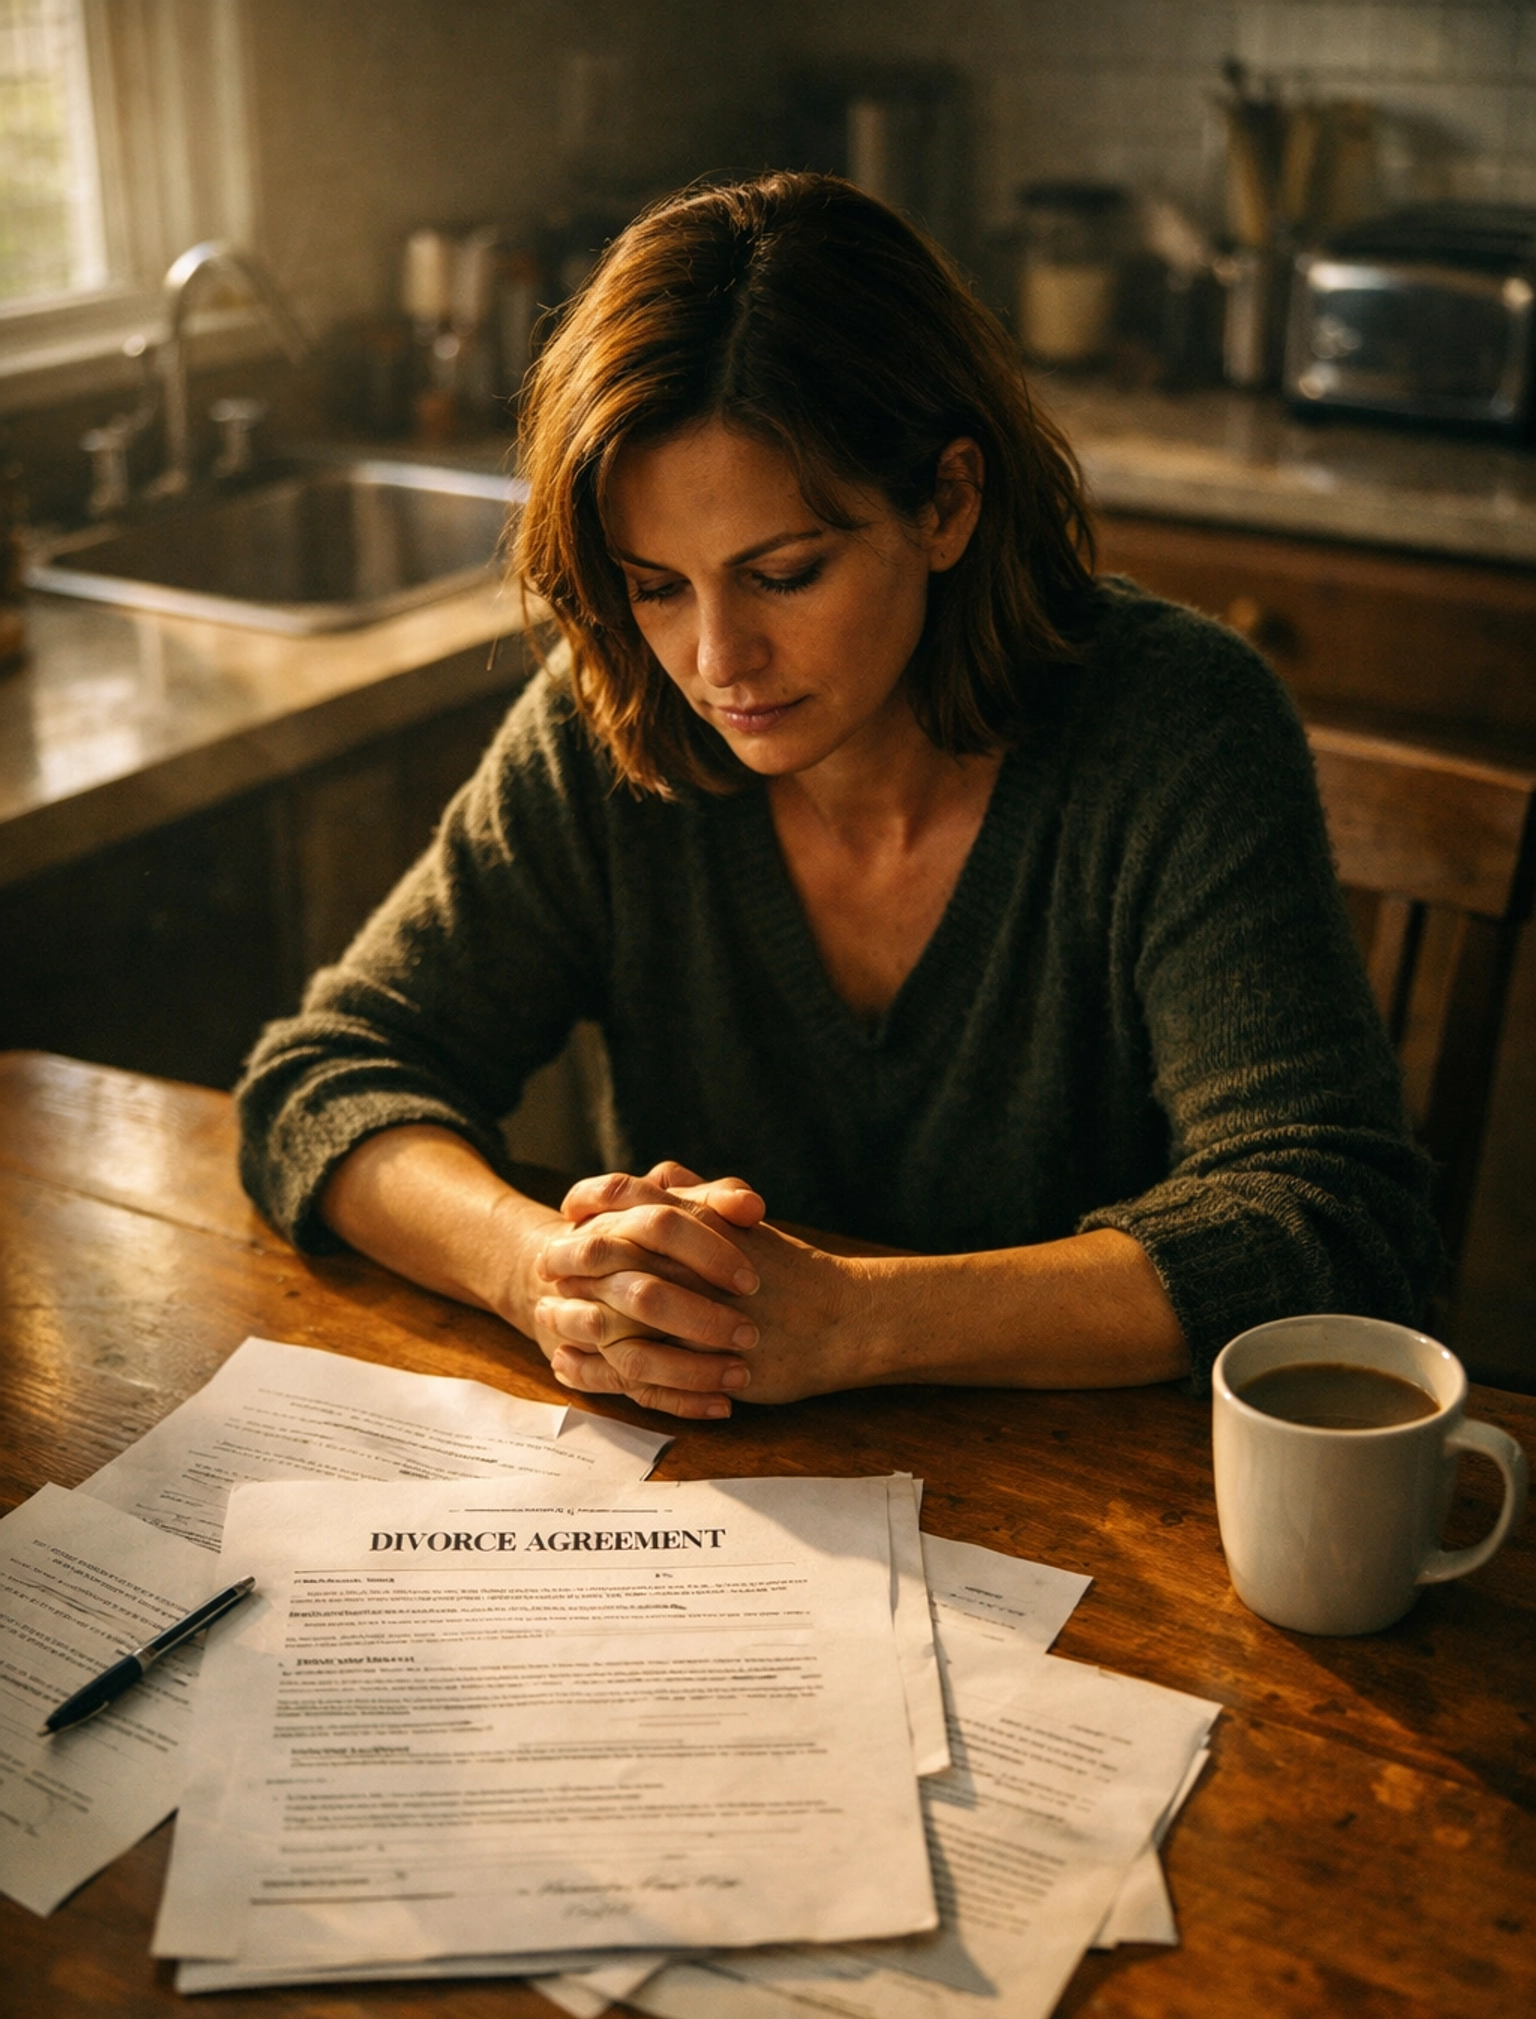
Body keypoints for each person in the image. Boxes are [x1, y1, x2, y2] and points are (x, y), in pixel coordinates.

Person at [237, 172, 1439, 1421]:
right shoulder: (611, 725)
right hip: (719, 1516)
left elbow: (1333, 1222)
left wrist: (859, 1320)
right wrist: (537, 1272)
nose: (717, 663)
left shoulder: (1177, 726)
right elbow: (324, 1078)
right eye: (656, 587)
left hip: (1124, 1518)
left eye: (784, 572)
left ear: (947, 504)